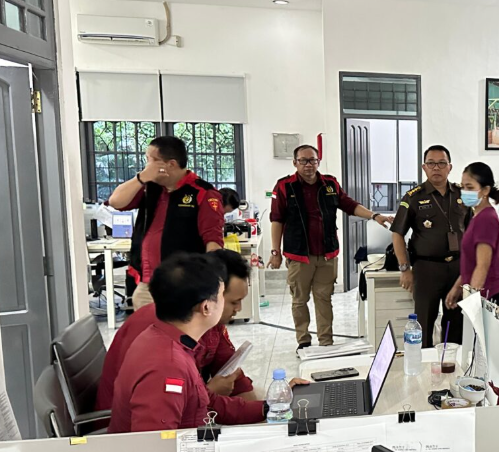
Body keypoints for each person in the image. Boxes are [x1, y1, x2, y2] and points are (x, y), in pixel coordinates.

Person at [108, 254, 285, 433]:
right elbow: (155, 448)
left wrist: (272, 407)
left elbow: (210, 402)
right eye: (222, 297)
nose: (236, 308)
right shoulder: (168, 366)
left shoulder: (174, 342)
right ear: (206, 307)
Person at [96, 249, 259, 412]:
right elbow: (158, 430)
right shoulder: (164, 343)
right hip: (124, 424)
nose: (239, 309)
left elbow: (228, 374)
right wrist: (208, 393)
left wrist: (266, 410)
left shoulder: (202, 322)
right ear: (210, 299)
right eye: (233, 301)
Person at [268, 145, 393, 351]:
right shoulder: (284, 186)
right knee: (299, 300)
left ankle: (326, 341)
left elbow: (349, 205)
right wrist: (275, 252)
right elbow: (277, 220)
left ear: (318, 161)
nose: (309, 165)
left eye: (313, 160)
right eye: (303, 161)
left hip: (327, 254)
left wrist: (374, 215)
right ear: (295, 163)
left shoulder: (330, 183)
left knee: (324, 298)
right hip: (299, 255)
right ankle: (304, 341)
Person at [108, 136, 225, 310]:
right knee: (149, 333)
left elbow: (212, 240)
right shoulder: (149, 187)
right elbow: (116, 202)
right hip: (146, 284)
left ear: (170, 164)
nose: (147, 165)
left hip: (182, 284)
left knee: (178, 335)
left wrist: (214, 283)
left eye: (152, 160)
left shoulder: (202, 192)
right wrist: (141, 178)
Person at [391, 145, 467, 348]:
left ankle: (451, 370)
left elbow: (475, 230)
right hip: (427, 269)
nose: (436, 168)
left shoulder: (463, 194)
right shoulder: (413, 197)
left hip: (458, 269)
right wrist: (405, 268)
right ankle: (423, 371)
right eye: (431, 163)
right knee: (423, 324)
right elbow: (397, 233)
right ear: (424, 167)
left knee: (456, 324)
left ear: (449, 167)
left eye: (441, 163)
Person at [445, 162, 499, 311]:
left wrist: (472, 301)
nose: (464, 191)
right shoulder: (478, 216)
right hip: (481, 293)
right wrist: (457, 287)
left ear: (485, 190)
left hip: (488, 296)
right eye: (463, 187)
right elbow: (471, 262)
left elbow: (482, 265)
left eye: (470, 187)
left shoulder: (486, 219)